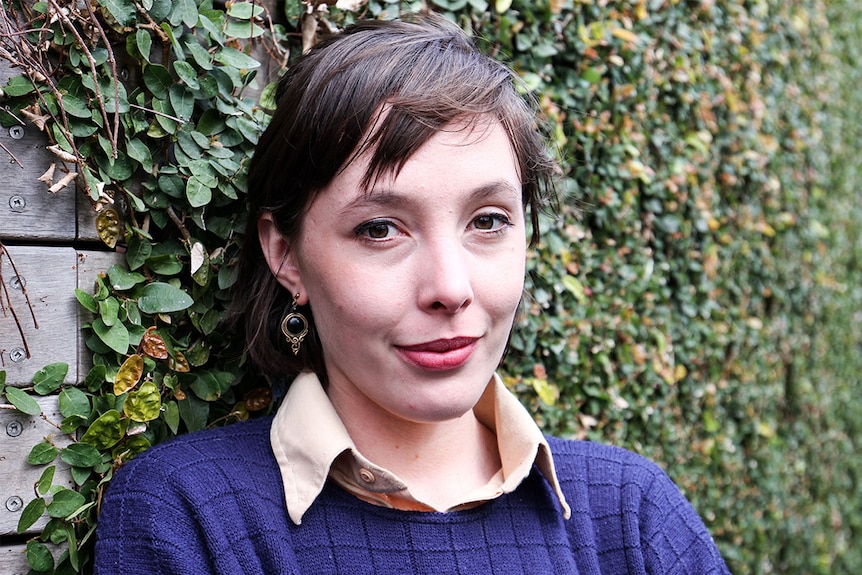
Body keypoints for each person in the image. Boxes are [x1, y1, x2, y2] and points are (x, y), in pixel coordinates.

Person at [95, 13, 731, 575]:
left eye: (488, 221)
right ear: (285, 253)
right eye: (380, 229)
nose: (450, 289)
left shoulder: (632, 518)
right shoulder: (189, 516)